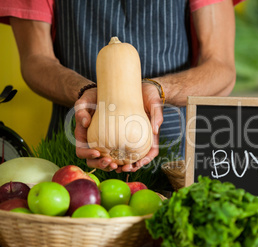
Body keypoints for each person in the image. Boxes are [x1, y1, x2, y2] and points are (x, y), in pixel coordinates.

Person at [0, 0, 240, 173]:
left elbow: (221, 68)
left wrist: (158, 90)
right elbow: (35, 60)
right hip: (75, 145)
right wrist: (85, 93)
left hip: (174, 157)